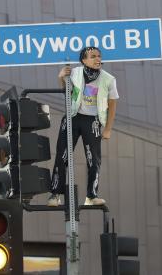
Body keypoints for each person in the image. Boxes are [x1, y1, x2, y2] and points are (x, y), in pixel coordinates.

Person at [47, 46, 119, 207]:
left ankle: (91, 196)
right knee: (62, 155)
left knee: (94, 159)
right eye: (93, 56)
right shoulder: (74, 72)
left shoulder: (109, 79)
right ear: (84, 60)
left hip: (92, 120)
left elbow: (112, 104)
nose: (97, 59)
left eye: (99, 56)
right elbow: (67, 92)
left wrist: (108, 128)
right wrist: (61, 78)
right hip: (73, 116)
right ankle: (55, 194)